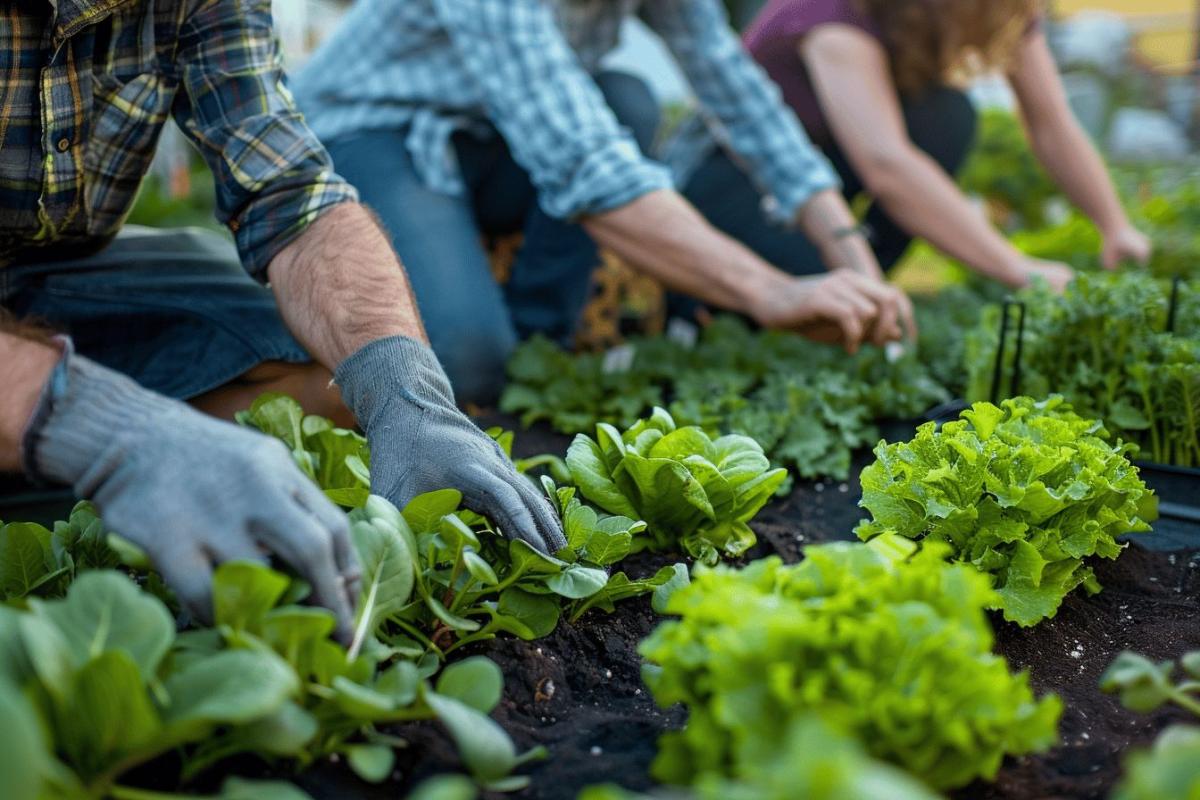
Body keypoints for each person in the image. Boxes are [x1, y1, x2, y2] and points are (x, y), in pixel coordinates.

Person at [0, 0, 565, 640]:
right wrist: (103, 426)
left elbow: (290, 193)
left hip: (55, 273)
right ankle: (72, 461)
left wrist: (405, 385)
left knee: (337, 374)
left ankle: (82, 453)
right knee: (100, 431)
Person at [292, 0, 916, 406]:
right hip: (369, 129)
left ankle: (540, 351)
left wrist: (855, 259)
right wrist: (772, 292)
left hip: (489, 134)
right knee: (461, 365)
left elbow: (744, 101)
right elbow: (585, 166)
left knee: (627, 97)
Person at [675, 0, 1152, 292]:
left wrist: (1114, 225)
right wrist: (1016, 267)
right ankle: (717, 307)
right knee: (803, 293)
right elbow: (888, 164)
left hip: (823, 185)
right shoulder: (834, 13)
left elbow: (1051, 122)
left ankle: (860, 290)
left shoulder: (995, 9)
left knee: (946, 113)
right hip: (736, 183)